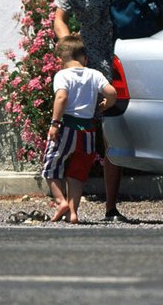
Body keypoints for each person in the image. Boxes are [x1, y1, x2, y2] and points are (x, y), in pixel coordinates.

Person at [53, 0, 136, 223]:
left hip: (123, 57)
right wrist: (70, 48)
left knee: (112, 133)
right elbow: (58, 18)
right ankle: (71, 206)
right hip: (89, 60)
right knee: (81, 134)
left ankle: (111, 207)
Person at [41, 35, 116, 224]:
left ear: (61, 59)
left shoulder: (62, 75)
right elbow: (112, 93)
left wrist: (54, 124)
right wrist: (105, 104)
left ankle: (61, 202)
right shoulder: (95, 74)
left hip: (67, 126)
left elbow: (61, 98)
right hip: (88, 131)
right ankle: (73, 213)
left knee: (51, 166)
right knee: (77, 172)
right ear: (84, 58)